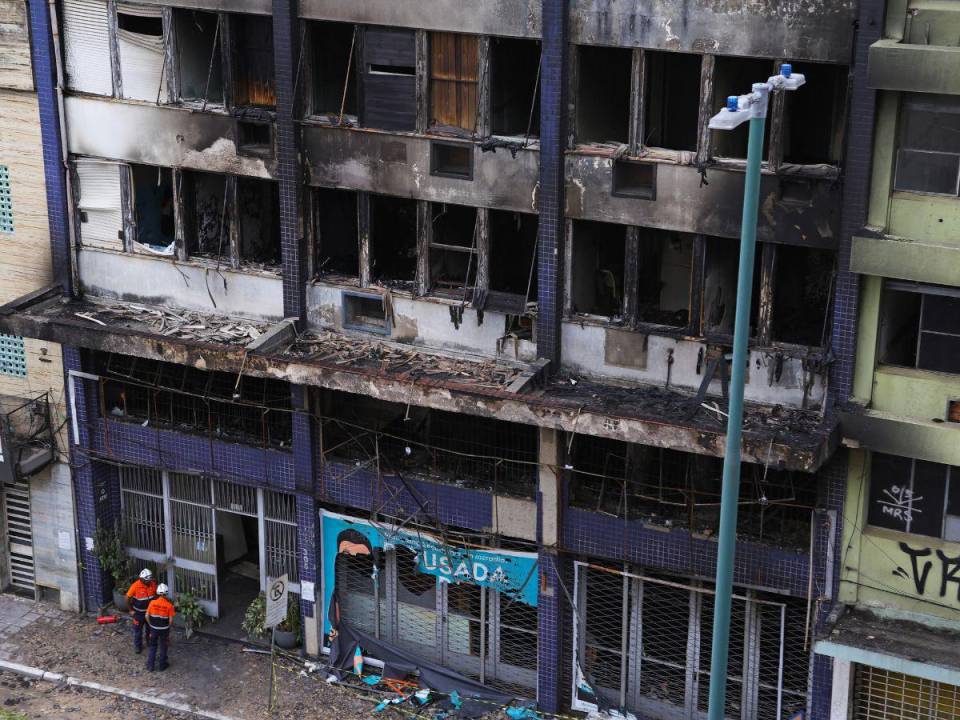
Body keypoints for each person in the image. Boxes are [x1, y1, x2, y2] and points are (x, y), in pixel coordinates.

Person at [145, 583, 176, 672]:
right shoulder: (169, 605)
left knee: (153, 646)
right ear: (166, 594)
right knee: (163, 646)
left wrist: (151, 625)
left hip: (154, 629)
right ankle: (162, 666)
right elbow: (170, 621)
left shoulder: (152, 603)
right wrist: (168, 627)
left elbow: (146, 616)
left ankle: (150, 666)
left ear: (158, 593)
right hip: (164, 630)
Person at [126, 569, 157, 654]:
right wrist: (130, 610)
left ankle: (149, 642)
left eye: (150, 580)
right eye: (147, 580)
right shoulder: (135, 586)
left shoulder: (152, 584)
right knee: (138, 631)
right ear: (142, 579)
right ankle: (138, 646)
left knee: (150, 629)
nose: (149, 581)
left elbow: (155, 595)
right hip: (138, 613)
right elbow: (127, 598)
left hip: (149, 613)